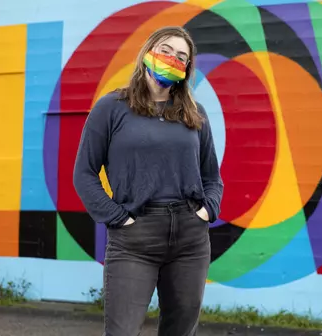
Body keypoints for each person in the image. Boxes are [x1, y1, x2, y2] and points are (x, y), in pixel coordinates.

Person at [73, 26, 223, 336]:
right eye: (166, 50)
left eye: (181, 56)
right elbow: (84, 174)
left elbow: (212, 177)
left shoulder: (195, 114)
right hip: (134, 237)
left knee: (180, 330)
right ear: (148, 53)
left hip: (189, 238)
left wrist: (206, 211)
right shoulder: (112, 108)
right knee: (122, 331)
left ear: (187, 68)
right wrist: (117, 218)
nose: (172, 59)